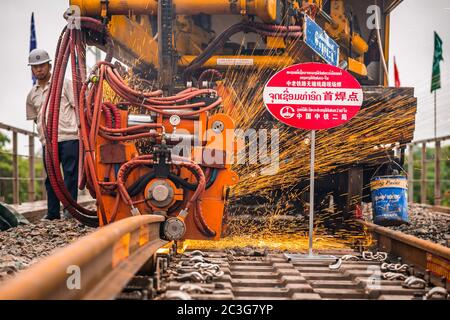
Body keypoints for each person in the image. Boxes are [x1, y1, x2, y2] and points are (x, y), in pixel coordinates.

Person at [26, 49, 79, 220]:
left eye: (42, 65)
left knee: (70, 175)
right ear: (32, 70)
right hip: (48, 142)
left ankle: (70, 211)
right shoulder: (32, 94)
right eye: (35, 67)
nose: (39, 69)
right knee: (51, 178)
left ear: (49, 65)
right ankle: (53, 213)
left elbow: (77, 106)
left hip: (69, 137)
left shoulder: (64, 84)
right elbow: (35, 118)